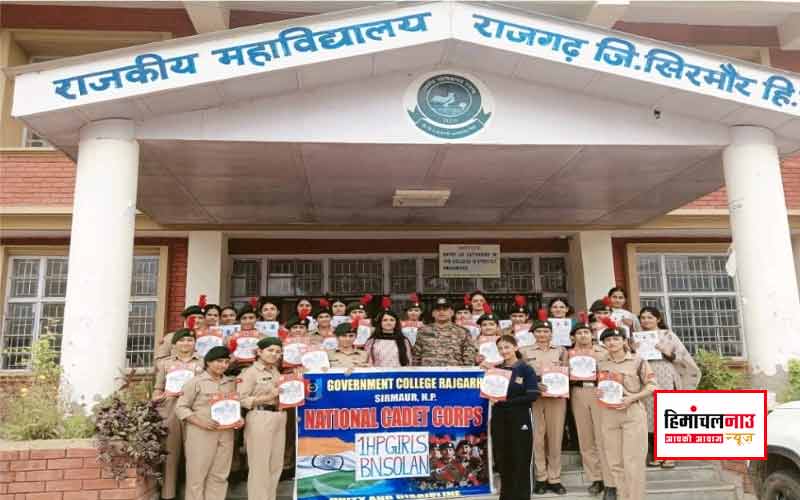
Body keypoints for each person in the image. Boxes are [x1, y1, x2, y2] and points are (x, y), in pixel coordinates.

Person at [597, 323, 656, 500]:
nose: (612, 342)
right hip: (608, 414)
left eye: (616, 338)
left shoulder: (638, 361)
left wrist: (632, 398)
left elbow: (652, 386)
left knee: (633, 462)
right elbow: (602, 386)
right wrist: (598, 392)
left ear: (624, 341)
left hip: (632, 413)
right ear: (604, 344)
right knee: (615, 462)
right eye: (608, 339)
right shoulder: (601, 362)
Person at [636, 306, 700, 469]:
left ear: (658, 319)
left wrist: (665, 351)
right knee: (649, 416)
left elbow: (680, 356)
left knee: (665, 414)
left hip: (664, 374)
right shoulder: (638, 337)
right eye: (643, 317)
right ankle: (657, 455)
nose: (646, 320)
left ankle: (669, 455)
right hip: (646, 376)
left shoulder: (668, 335)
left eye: (650, 317)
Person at [176, 346, 242, 500]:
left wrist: (239, 419)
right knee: (197, 477)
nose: (223, 365)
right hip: (201, 434)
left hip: (226, 434)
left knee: (220, 475)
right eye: (219, 361)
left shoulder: (230, 383)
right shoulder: (195, 382)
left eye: (226, 362)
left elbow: (234, 406)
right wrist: (200, 422)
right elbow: (181, 407)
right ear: (208, 362)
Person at [152, 328, 204, 500]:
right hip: (170, 410)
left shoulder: (202, 363)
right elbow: (157, 390)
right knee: (171, 452)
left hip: (194, 411)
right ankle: (169, 494)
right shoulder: (165, 364)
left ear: (195, 343)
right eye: (182, 340)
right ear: (174, 344)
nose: (186, 343)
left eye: (190, 340)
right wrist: (161, 397)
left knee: (196, 454)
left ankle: (194, 494)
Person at [488, 334, 539, 500]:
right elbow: (489, 392)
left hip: (520, 417)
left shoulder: (526, 369)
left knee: (520, 457)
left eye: (507, 347)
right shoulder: (495, 369)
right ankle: (506, 495)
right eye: (500, 348)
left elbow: (532, 396)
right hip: (499, 417)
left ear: (516, 347)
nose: (504, 351)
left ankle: (522, 496)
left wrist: (506, 401)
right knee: (502, 457)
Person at [521, 317, 568, 495]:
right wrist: (533, 384)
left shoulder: (561, 351)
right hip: (535, 397)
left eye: (546, 331)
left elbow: (568, 371)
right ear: (533, 334)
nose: (542, 334)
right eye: (538, 331)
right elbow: (520, 374)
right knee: (538, 437)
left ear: (551, 333)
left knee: (555, 437)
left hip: (557, 397)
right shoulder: (524, 352)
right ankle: (541, 478)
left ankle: (555, 478)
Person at [237, 337, 287, 500]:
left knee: (275, 465)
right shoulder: (250, 372)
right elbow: (242, 399)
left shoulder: (275, 371)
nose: (275, 354)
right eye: (270, 350)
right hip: (260, 416)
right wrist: (267, 397)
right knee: (259, 466)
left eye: (278, 351)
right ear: (259, 352)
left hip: (279, 416)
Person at [568, 315, 611, 496]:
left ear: (592, 335)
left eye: (586, 332)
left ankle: (609, 477)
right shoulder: (567, 353)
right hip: (578, 392)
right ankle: (596, 478)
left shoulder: (603, 351)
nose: (583, 335)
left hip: (599, 391)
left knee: (603, 435)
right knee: (586, 436)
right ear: (573, 337)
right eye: (579, 333)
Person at [413, 297, 477, 367]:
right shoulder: (422, 331)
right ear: (432, 313)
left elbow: (469, 357)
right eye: (438, 309)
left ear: (452, 313)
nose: (441, 312)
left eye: (445, 309)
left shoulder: (463, 332)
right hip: (428, 374)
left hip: (454, 375)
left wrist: (467, 374)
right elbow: (416, 357)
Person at [364, 298, 413, 367]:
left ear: (396, 323)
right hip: (378, 376)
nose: (388, 323)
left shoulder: (404, 341)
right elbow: (367, 361)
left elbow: (409, 362)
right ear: (380, 323)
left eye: (392, 320)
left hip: (398, 376)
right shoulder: (372, 341)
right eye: (385, 320)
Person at [156, 297, 205, 361]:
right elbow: (160, 359)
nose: (197, 320)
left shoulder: (208, 338)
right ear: (185, 319)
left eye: (200, 318)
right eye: (192, 318)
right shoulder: (171, 337)